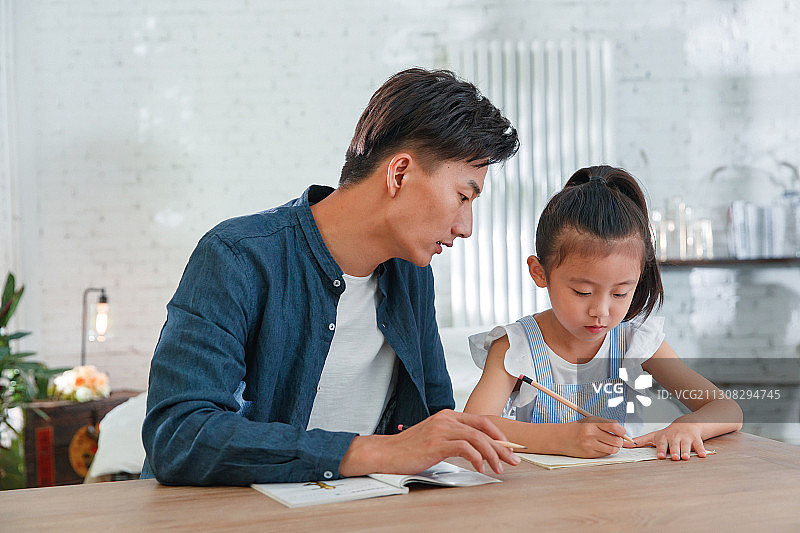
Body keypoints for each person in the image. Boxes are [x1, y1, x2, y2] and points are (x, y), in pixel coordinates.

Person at [141, 68, 521, 485]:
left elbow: (432, 421)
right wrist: (377, 452)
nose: (466, 226)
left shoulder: (412, 276)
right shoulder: (237, 257)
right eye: (463, 196)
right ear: (399, 173)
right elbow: (179, 434)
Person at [464, 165, 742, 460]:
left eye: (620, 293)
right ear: (539, 272)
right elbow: (473, 426)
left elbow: (728, 410)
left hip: (621, 495)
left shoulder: (635, 341)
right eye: (582, 292)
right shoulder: (516, 346)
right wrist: (561, 439)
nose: (601, 311)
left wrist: (690, 426)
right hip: (541, 498)